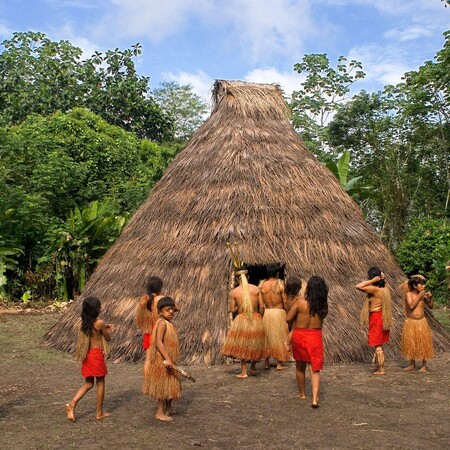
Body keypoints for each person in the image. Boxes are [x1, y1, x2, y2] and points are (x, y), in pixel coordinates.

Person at [65, 296, 115, 421]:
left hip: (87, 355)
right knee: (100, 382)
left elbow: (96, 332)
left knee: (88, 383)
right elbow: (107, 338)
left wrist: (105, 327)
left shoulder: (85, 323)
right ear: (97, 309)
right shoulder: (99, 323)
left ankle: (72, 404)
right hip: (96, 356)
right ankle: (99, 412)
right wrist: (109, 330)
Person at [286, 276, 328, 408]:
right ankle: (315, 399)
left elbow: (288, 319)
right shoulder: (323, 306)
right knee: (315, 369)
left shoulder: (300, 303)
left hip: (300, 335)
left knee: (300, 366)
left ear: (308, 288)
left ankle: (303, 393)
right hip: (315, 336)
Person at [221, 268, 267, 378]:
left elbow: (233, 309)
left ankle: (243, 372)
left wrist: (238, 305)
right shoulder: (256, 289)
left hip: (242, 319)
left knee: (243, 345)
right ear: (248, 277)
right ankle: (253, 367)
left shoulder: (235, 292)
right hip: (256, 318)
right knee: (255, 344)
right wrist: (260, 315)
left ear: (237, 279)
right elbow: (262, 306)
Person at [143, 296, 181, 422]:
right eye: (167, 310)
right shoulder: (161, 323)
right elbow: (158, 342)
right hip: (162, 360)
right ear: (159, 312)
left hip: (169, 358)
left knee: (170, 384)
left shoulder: (168, 323)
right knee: (162, 386)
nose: (171, 312)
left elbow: (176, 308)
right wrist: (167, 358)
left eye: (172, 310)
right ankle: (159, 412)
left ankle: (168, 408)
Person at [355, 267, 393, 375]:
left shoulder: (374, 289)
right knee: (379, 343)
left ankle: (382, 369)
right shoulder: (384, 288)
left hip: (376, 317)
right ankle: (379, 366)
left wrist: (372, 281)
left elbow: (358, 286)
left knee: (377, 344)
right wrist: (382, 278)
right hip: (381, 316)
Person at [401, 275, 435, 372]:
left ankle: (424, 365)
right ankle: (412, 364)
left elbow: (430, 306)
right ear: (415, 286)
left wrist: (430, 298)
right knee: (411, 342)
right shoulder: (409, 294)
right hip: (411, 322)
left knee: (423, 343)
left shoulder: (423, 295)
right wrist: (420, 296)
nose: (423, 286)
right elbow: (411, 306)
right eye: (422, 284)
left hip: (421, 322)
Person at [260, 264, 290, 370]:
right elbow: (285, 301)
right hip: (278, 313)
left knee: (267, 337)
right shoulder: (280, 284)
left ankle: (267, 362)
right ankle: (279, 363)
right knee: (280, 337)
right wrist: (288, 312)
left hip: (267, 313)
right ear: (277, 274)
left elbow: (261, 304)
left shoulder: (262, 285)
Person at [135, 276, 165, 376]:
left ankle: (147, 380)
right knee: (162, 357)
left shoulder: (144, 300)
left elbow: (140, 318)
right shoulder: (160, 299)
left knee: (148, 359)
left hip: (148, 332)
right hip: (159, 331)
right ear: (160, 288)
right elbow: (175, 307)